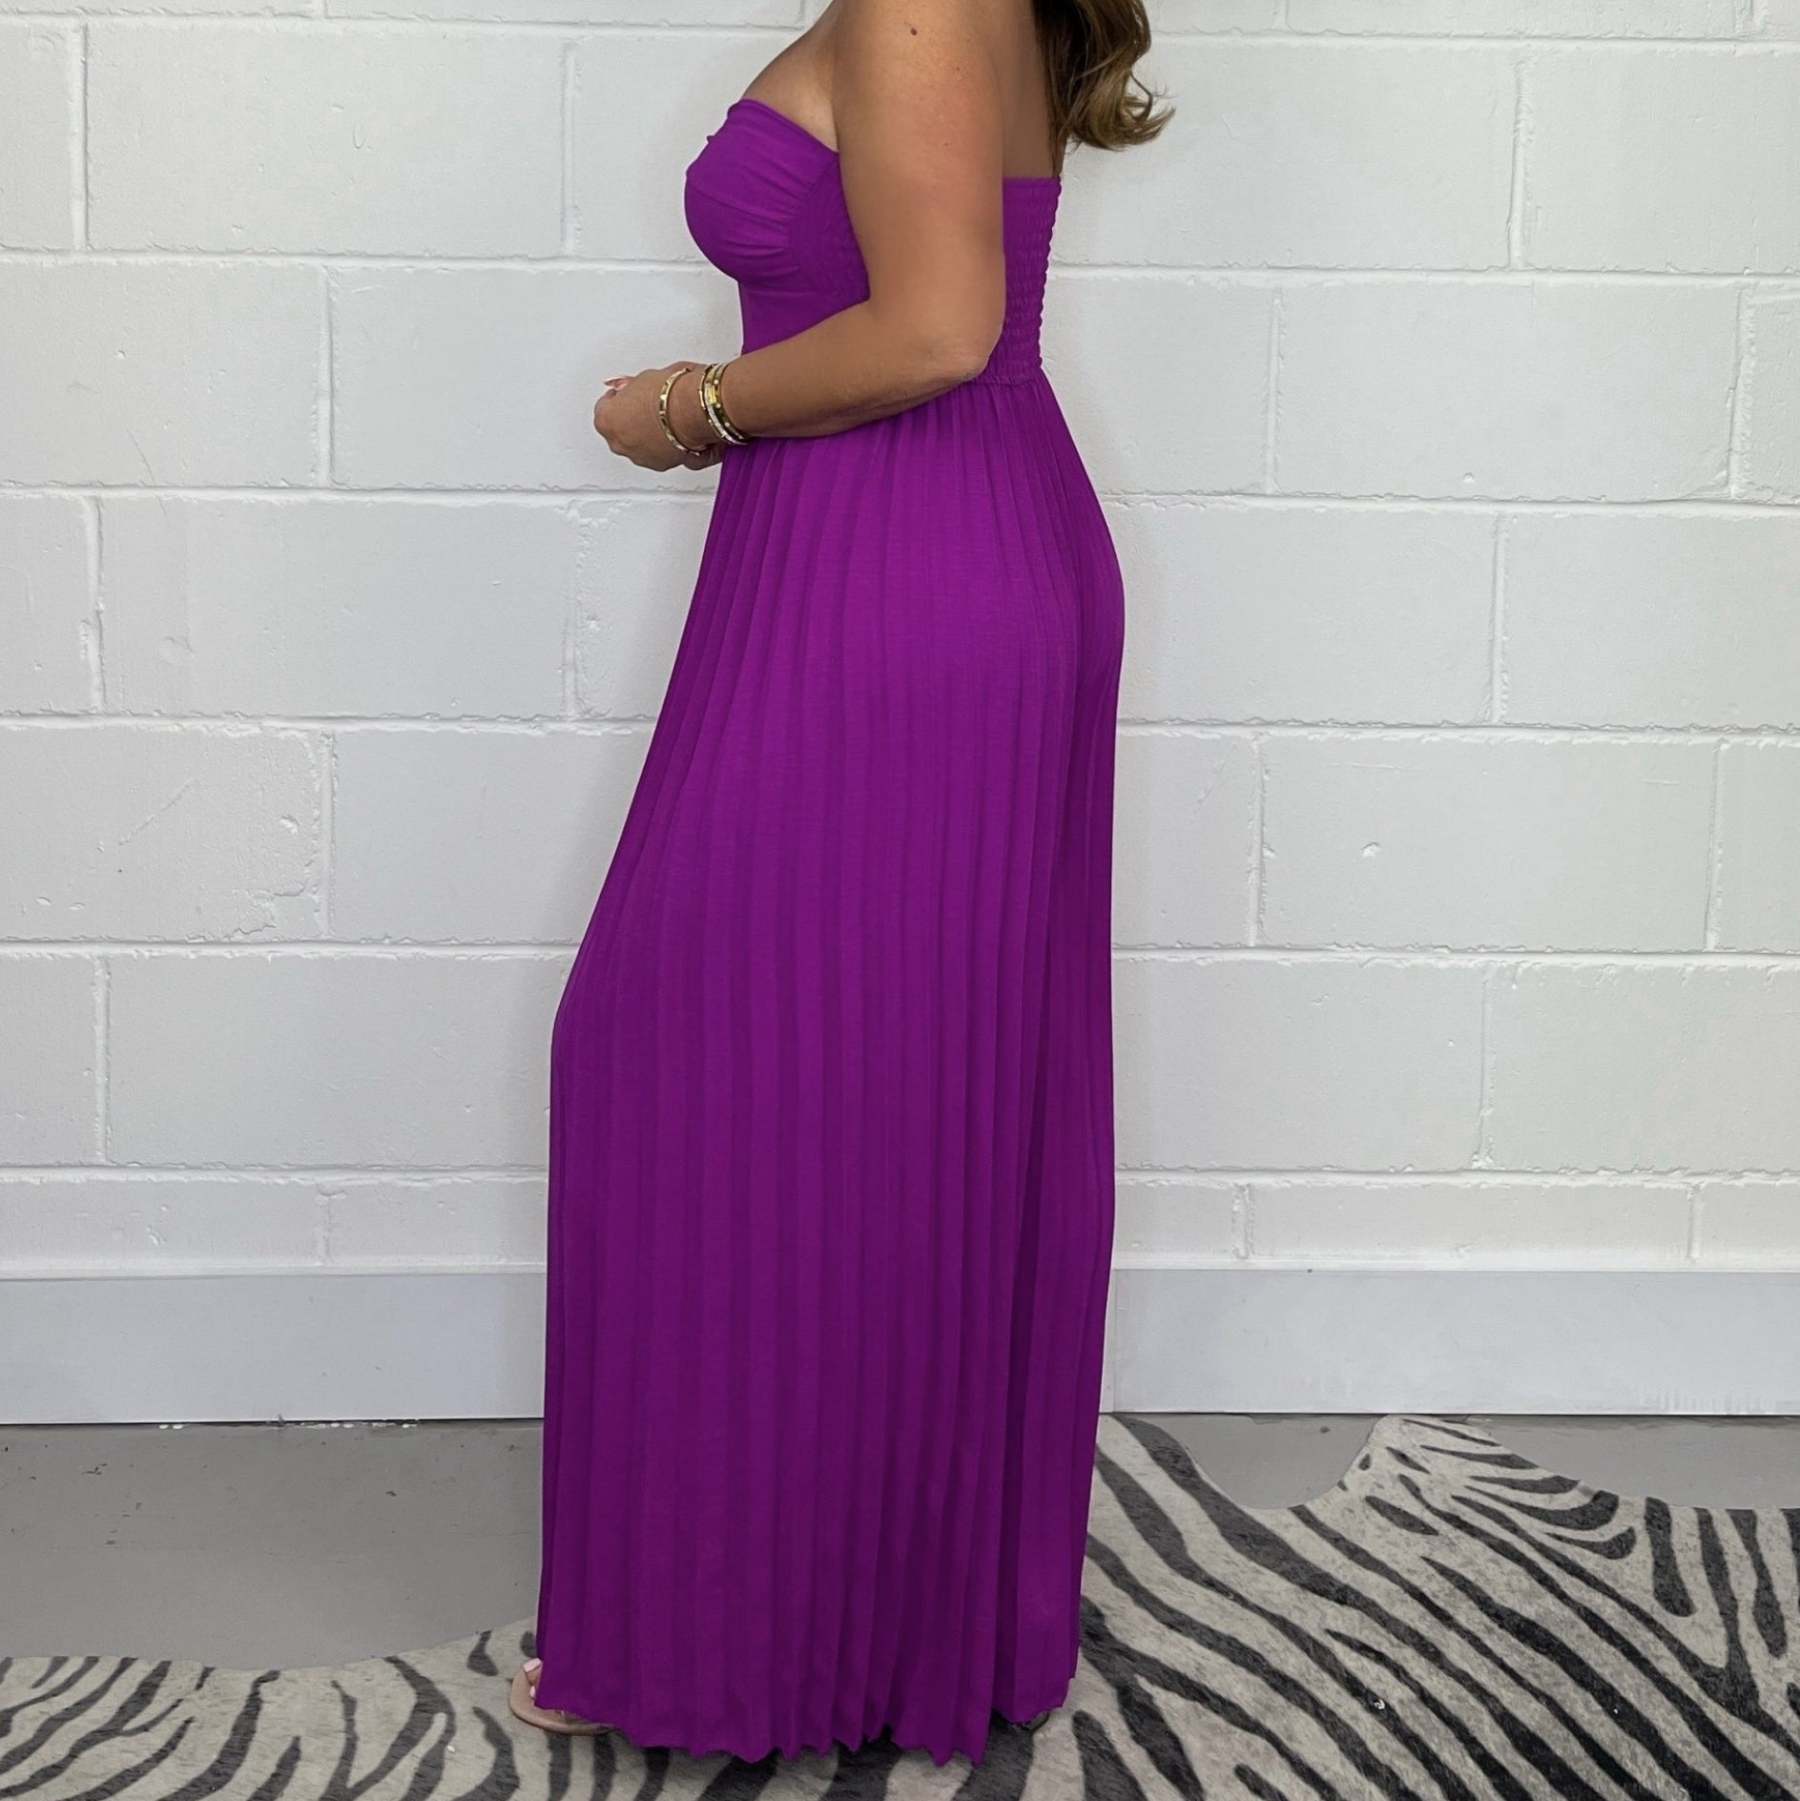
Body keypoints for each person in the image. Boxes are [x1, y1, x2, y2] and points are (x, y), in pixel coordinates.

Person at [510, 0, 1168, 1769]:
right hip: (889, 554)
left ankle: (769, 1637)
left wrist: (688, 405)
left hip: (905, 570)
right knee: (872, 1104)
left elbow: (941, 327)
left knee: (725, 1072)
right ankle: (839, 1621)